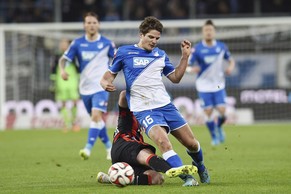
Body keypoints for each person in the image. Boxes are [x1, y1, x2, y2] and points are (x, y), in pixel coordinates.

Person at [100, 16, 210, 184]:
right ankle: (187, 178)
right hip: (143, 109)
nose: (154, 41)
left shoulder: (160, 55)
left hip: (166, 106)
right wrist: (105, 83)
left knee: (192, 144)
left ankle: (200, 166)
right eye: (151, 37)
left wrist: (184, 57)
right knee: (162, 142)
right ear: (141, 34)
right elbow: (108, 76)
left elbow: (175, 78)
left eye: (157, 38)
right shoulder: (124, 52)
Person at [97, 91, 198, 186]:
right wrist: (139, 91)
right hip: (123, 145)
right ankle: (171, 169)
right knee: (145, 154)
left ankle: (115, 179)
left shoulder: (147, 115)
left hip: (128, 153)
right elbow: (123, 95)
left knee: (157, 178)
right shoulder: (128, 114)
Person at [59, 12, 116, 160]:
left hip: (101, 87)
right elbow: (63, 60)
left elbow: (117, 60)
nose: (91, 25)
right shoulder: (77, 43)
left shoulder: (107, 43)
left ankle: (87, 148)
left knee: (96, 116)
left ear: (98, 25)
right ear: (84, 25)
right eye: (88, 23)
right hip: (84, 88)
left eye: (94, 22)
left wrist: (111, 76)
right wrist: (62, 71)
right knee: (97, 121)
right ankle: (110, 148)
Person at [187, 19, 235, 146]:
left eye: (210, 30)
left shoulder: (221, 47)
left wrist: (230, 67)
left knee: (223, 112)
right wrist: (192, 69)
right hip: (203, 85)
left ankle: (218, 127)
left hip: (218, 84)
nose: (208, 32)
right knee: (208, 113)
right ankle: (214, 136)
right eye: (206, 30)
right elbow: (187, 66)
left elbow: (231, 60)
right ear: (203, 32)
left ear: (214, 32)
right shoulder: (197, 49)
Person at [50, 38, 80, 132]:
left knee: (75, 101)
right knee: (63, 102)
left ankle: (74, 122)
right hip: (61, 82)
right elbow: (53, 69)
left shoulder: (73, 55)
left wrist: (80, 80)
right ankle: (66, 124)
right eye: (61, 43)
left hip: (72, 81)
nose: (62, 45)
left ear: (68, 45)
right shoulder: (56, 55)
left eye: (64, 43)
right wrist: (53, 82)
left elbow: (77, 68)